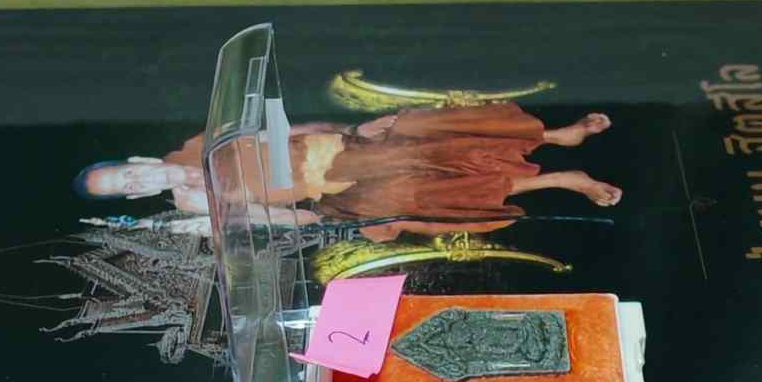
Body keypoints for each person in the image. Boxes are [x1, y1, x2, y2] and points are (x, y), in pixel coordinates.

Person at [75, 104, 621, 242]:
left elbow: (283, 131)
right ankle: (561, 180)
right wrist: (313, 223)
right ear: (136, 198)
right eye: (125, 191)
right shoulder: (192, 206)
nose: (136, 183)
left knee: (412, 134)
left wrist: (355, 128)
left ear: (138, 163)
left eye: (125, 174)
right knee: (411, 196)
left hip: (337, 149)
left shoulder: (198, 145)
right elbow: (264, 217)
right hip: (329, 194)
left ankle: (554, 136)